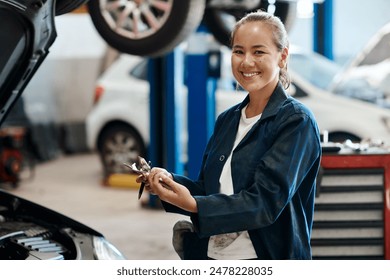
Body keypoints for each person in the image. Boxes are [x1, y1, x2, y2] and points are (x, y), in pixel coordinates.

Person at [139, 10, 322, 260]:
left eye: (258, 52)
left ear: (282, 57)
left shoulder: (295, 121)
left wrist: (193, 205)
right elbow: (209, 188)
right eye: (238, 51)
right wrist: (169, 182)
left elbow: (264, 204)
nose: (246, 62)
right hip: (214, 257)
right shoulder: (228, 119)